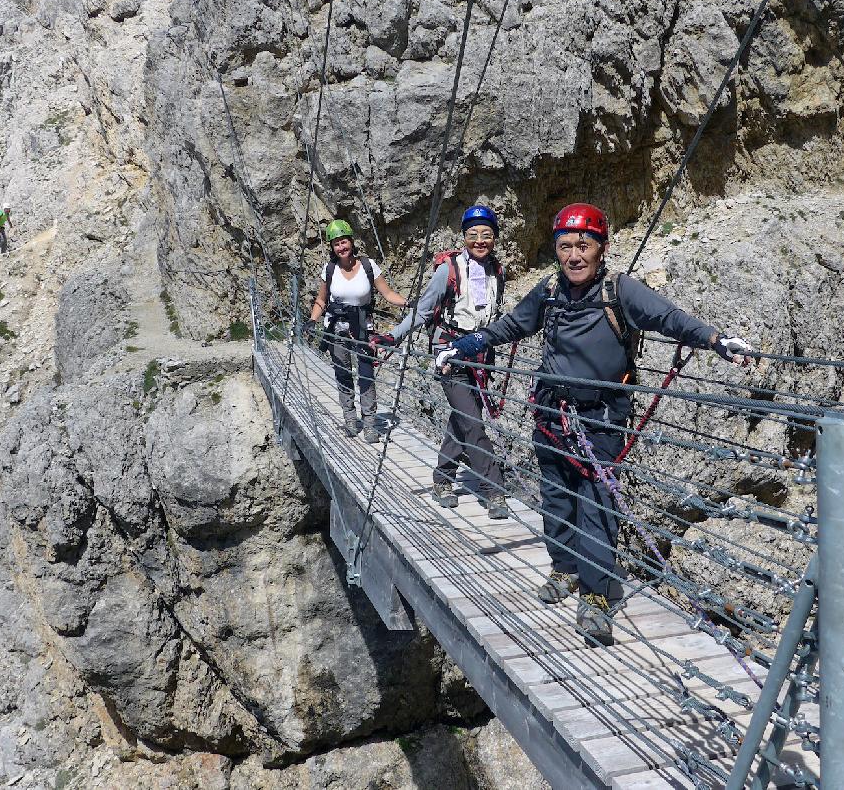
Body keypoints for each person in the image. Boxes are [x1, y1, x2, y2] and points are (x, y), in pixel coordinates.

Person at [436, 203, 752, 645]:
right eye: (564, 246)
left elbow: (668, 318)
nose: (573, 255)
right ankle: (564, 568)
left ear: (600, 248)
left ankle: (597, 595)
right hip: (551, 413)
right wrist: (467, 344)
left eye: (583, 245)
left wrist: (716, 341)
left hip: (602, 417)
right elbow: (511, 325)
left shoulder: (620, 290)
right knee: (556, 494)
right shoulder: (548, 291)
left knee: (596, 502)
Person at [376, 205, 510, 519]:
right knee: (473, 422)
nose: (480, 240)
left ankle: (442, 478)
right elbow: (423, 310)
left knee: (463, 418)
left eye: (486, 235)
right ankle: (495, 491)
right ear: (464, 237)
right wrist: (393, 338)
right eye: (473, 234)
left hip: (480, 355)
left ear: (494, 238)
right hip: (450, 352)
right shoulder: (447, 270)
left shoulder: (497, 271)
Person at [303, 219, 407, 443]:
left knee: (366, 375)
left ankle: (370, 424)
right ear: (332, 248)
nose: (341, 247)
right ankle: (350, 419)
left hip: (363, 329)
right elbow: (321, 300)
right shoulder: (330, 270)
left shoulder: (368, 266)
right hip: (336, 329)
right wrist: (312, 320)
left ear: (351, 242)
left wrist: (408, 304)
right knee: (343, 374)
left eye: (344, 242)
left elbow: (388, 293)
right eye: (336, 244)